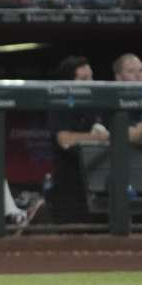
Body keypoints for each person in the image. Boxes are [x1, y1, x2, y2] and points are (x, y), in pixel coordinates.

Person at [45, 55, 105, 223]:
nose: (90, 82)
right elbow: (65, 139)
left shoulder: (99, 103)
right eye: (84, 78)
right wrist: (98, 138)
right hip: (69, 185)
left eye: (91, 77)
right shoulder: (60, 105)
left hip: (100, 182)